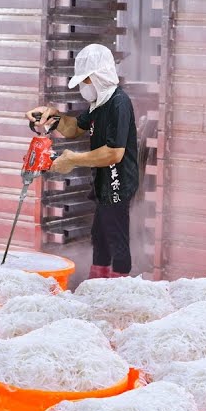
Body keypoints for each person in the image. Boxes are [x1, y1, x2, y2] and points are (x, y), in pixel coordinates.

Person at [27, 44, 139, 279]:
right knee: (100, 235)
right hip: (102, 181)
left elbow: (114, 153)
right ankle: (98, 280)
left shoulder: (119, 103)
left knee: (116, 236)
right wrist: (52, 116)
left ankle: (121, 287)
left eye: (85, 80)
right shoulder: (99, 103)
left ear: (98, 77)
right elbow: (74, 129)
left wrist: (73, 160)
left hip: (117, 182)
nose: (82, 86)